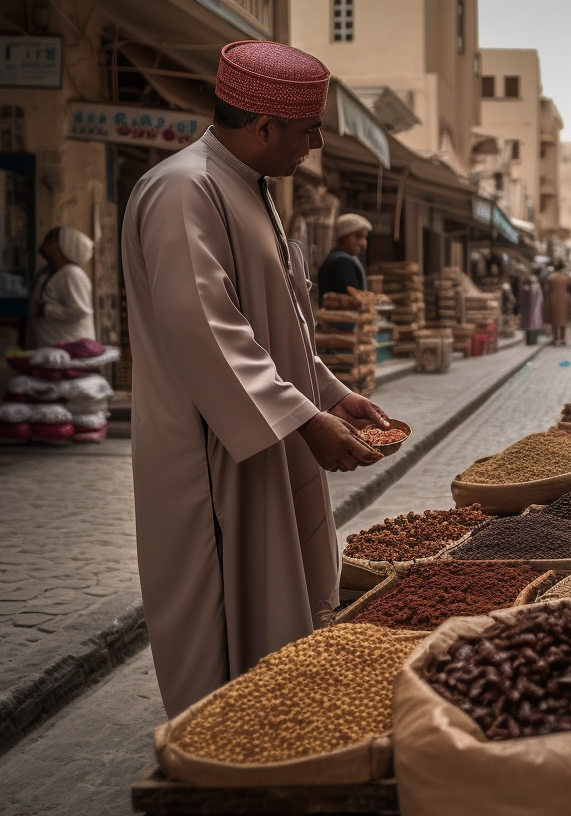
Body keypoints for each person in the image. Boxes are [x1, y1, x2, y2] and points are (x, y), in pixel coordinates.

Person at [120, 40, 392, 717]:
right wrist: (302, 418)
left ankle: (275, 716)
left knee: (282, 596)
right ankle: (220, 735)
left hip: (265, 432)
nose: (317, 143)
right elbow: (205, 329)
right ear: (265, 126)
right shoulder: (184, 189)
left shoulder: (254, 190)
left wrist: (330, 393)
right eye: (308, 129)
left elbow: (281, 323)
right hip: (213, 454)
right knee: (227, 604)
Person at [26, 226, 95, 349]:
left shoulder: (72, 274)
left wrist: (46, 310)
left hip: (72, 354)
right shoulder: (47, 274)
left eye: (51, 241)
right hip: (52, 353)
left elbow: (79, 310)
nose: (45, 244)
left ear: (65, 246)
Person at [317, 213, 370, 302]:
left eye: (364, 237)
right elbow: (353, 301)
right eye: (358, 236)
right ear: (342, 237)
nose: (363, 244)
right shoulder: (341, 262)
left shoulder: (342, 258)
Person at [543, 266, 571, 346]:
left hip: (553, 300)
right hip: (564, 300)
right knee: (563, 320)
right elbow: (569, 289)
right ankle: (563, 338)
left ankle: (555, 339)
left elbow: (546, 289)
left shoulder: (550, 278)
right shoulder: (566, 278)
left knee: (554, 320)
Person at [520, 274, 544, 345]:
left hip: (529, 310)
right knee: (533, 325)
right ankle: (533, 340)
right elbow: (540, 297)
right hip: (534, 310)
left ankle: (530, 341)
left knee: (529, 325)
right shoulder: (536, 286)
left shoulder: (525, 287)